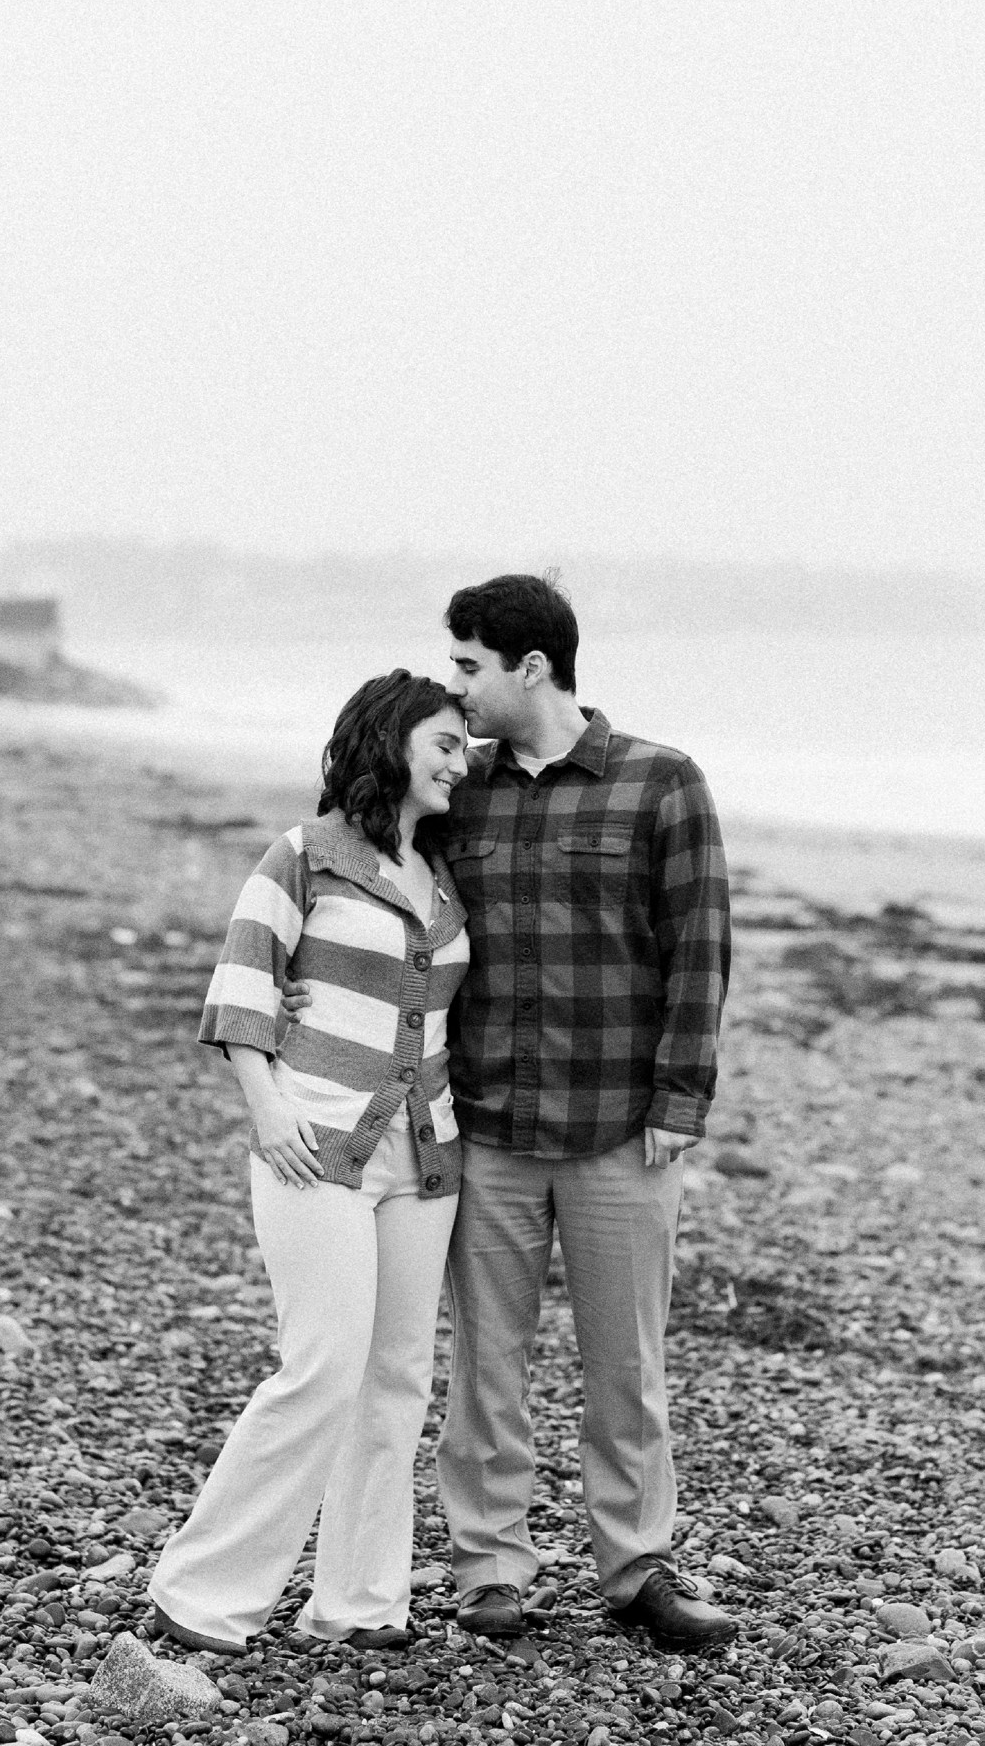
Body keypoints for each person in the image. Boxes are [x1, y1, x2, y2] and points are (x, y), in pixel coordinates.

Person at [431, 573, 734, 1651]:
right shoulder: (452, 788)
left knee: (627, 1365)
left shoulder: (662, 781)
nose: (453, 684)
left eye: (468, 664)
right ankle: (490, 1569)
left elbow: (699, 948)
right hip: (490, 1125)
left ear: (531, 667)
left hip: (621, 1128)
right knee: (486, 1365)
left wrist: (680, 1097)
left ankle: (638, 1568)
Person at [146, 670, 470, 1655]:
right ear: (392, 739)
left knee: (398, 1376)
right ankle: (205, 1592)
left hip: (425, 1156)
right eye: (446, 744)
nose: (462, 762)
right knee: (322, 1365)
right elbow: (244, 982)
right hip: (312, 1144)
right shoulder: (303, 853)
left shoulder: (442, 871)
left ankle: (363, 1601)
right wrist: (268, 1105)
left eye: (466, 747)